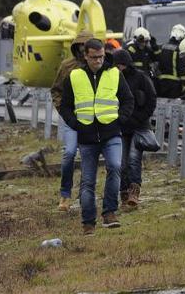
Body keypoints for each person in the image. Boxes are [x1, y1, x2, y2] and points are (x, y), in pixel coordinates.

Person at [58, 38, 134, 235]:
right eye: (94, 58)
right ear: (86, 56)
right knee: (88, 181)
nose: (98, 61)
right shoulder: (74, 76)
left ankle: (110, 213)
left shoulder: (114, 74)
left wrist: (120, 119)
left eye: (101, 57)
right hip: (87, 136)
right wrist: (74, 124)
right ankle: (88, 222)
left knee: (115, 167)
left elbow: (128, 99)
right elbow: (65, 105)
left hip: (111, 133)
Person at [51, 30, 94, 211]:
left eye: (87, 46)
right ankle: (65, 195)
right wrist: (64, 111)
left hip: (92, 120)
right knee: (69, 154)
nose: (83, 49)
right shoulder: (67, 66)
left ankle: (85, 195)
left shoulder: (97, 66)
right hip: (71, 119)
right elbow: (56, 90)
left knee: (88, 157)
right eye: (81, 45)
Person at [112, 49, 157, 209]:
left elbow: (151, 100)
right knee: (121, 164)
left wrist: (140, 118)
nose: (119, 68)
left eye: (121, 65)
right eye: (116, 65)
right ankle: (123, 193)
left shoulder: (141, 78)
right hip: (122, 128)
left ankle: (134, 193)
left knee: (133, 160)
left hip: (139, 127)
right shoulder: (112, 79)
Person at [156, 24, 185, 99]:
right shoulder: (180, 49)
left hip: (161, 83)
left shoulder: (162, 47)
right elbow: (182, 69)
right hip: (174, 85)